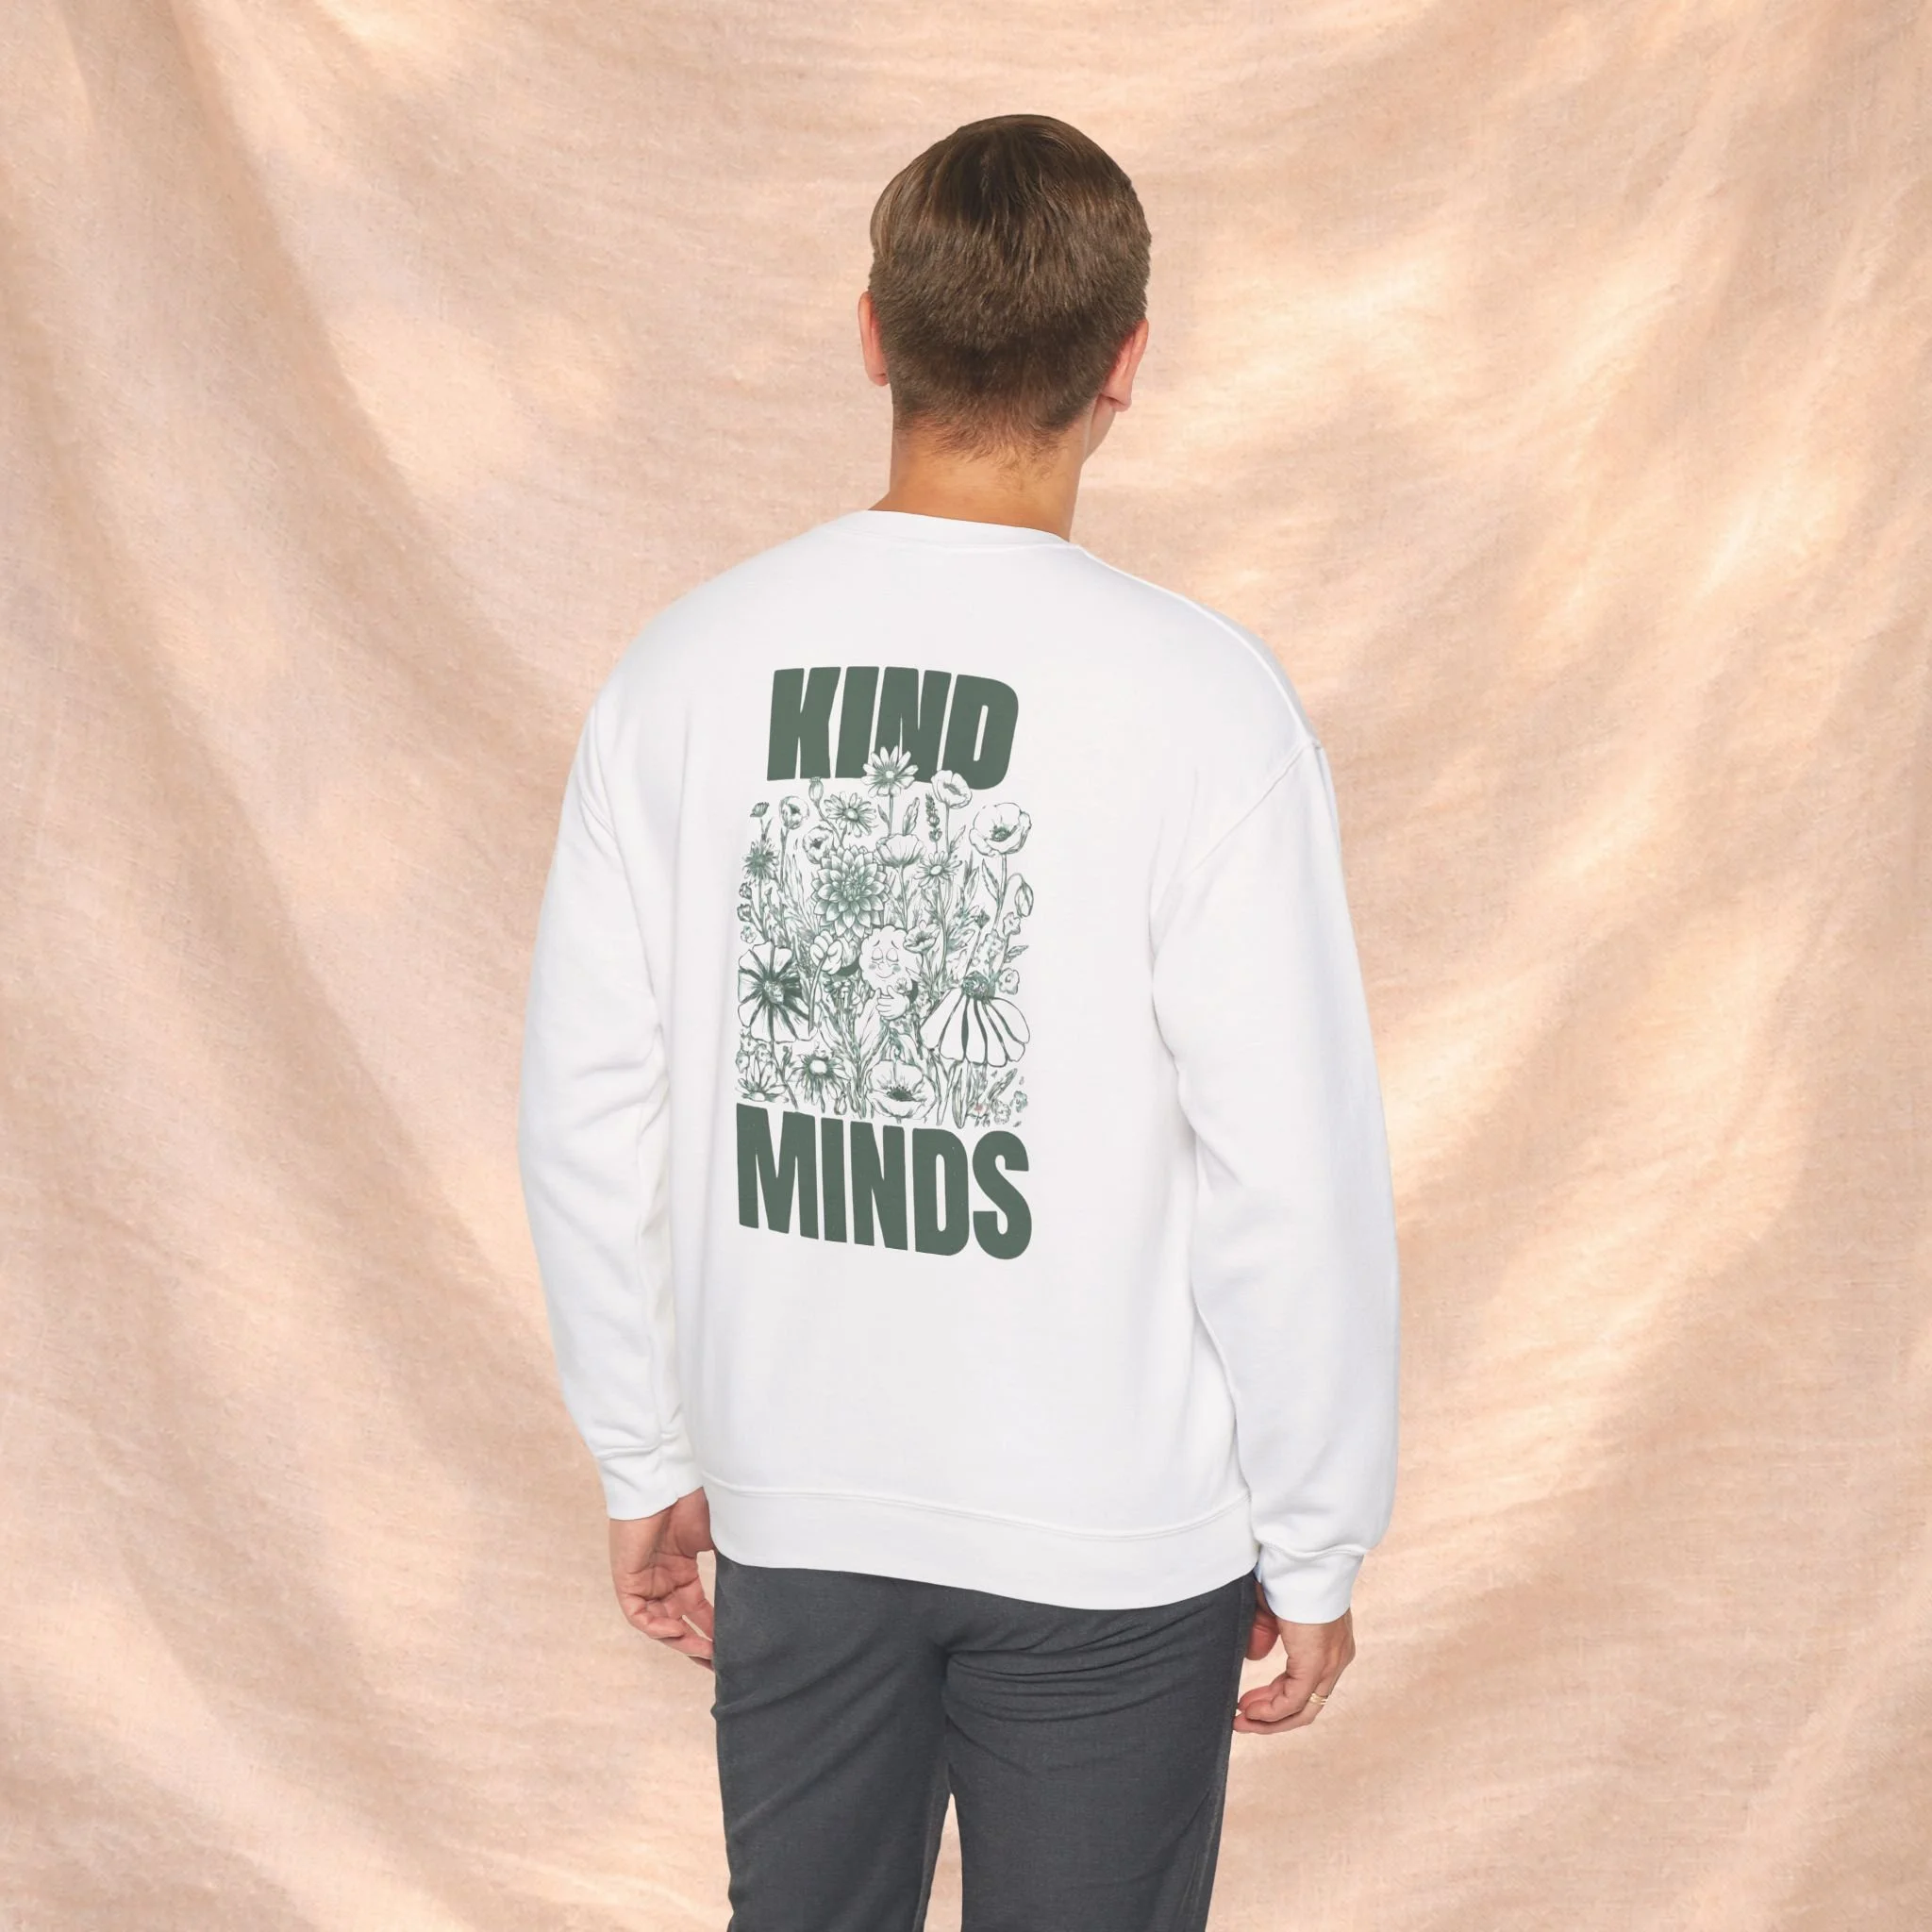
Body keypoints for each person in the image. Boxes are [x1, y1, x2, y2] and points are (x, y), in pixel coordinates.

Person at [517, 112, 1401, 1932]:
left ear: (872, 335)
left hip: (799, 1500)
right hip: (1112, 1530)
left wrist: (645, 1448)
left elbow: (587, 1105)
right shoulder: (1205, 705)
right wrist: (1313, 1531)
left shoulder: (682, 672)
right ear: (1127, 364)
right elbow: (1289, 1162)